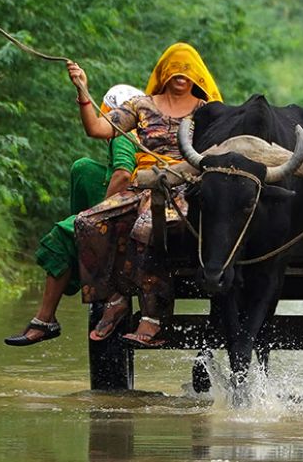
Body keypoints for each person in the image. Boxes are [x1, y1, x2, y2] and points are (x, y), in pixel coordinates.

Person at [69, 43, 222, 347]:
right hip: (143, 184)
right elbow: (98, 129)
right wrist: (83, 91)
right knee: (86, 222)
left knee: (148, 228)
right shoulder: (141, 105)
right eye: (175, 68)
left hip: (186, 187)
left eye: (187, 69)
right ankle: (114, 299)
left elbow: (218, 152)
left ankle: (154, 319)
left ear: (198, 77)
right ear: (164, 72)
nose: (181, 74)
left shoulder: (208, 112)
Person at [4, 84, 145, 346]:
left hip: (130, 211)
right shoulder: (152, 130)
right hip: (146, 205)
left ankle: (45, 319)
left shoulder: (123, 133)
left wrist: (96, 217)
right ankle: (82, 245)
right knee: (83, 167)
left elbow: (124, 174)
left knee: (60, 235)